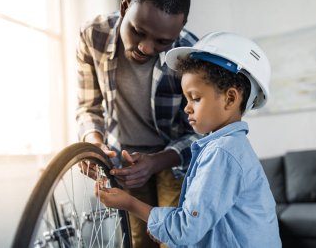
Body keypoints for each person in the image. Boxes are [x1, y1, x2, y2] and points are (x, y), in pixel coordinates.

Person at [96, 32, 282, 247]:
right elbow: (204, 219)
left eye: (195, 98)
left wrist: (129, 203)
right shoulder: (226, 147)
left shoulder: (222, 152)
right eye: (186, 98)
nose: (187, 107)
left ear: (230, 98)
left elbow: (186, 229)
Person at [75, 0, 199, 247]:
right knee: (138, 241)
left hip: (173, 159)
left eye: (163, 41)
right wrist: (94, 145)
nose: (147, 48)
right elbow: (89, 108)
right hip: (124, 159)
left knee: (176, 240)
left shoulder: (190, 53)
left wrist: (156, 162)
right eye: (138, 32)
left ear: (181, 25)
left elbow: (201, 131)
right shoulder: (93, 35)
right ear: (123, 6)